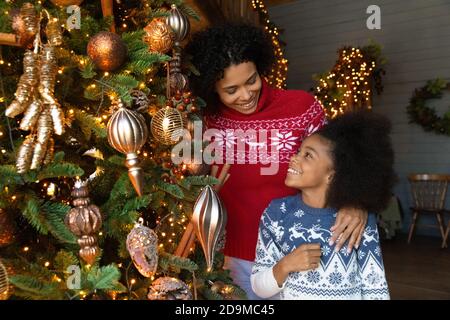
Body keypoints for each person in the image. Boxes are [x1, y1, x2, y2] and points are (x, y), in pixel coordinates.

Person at [185, 23, 367, 300]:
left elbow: (340, 160)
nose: (245, 95)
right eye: (231, 90)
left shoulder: (302, 107)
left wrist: (355, 202)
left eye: (251, 80)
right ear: (212, 87)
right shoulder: (205, 120)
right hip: (230, 260)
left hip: (299, 253)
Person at [251, 111, 395, 299]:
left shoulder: (358, 220)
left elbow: (375, 289)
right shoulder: (276, 213)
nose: (294, 158)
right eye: (298, 152)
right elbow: (258, 288)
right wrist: (285, 265)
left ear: (332, 175)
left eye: (308, 155)